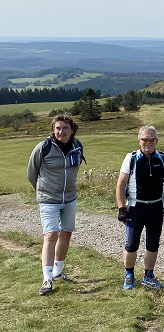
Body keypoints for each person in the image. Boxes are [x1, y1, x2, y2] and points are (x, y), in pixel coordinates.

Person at [115, 126, 164, 290]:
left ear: (156, 141)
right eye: (145, 139)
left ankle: (148, 276)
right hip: (136, 208)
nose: (148, 142)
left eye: (152, 139)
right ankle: (129, 275)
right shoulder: (131, 158)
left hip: (157, 207)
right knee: (131, 244)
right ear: (139, 141)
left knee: (153, 244)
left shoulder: (163, 158)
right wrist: (122, 208)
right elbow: (121, 184)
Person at [27, 114, 85, 296]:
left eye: (65, 128)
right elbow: (32, 173)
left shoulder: (77, 146)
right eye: (58, 128)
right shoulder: (43, 148)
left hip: (69, 198)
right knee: (50, 235)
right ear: (53, 130)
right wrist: (43, 192)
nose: (61, 132)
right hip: (48, 199)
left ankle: (58, 272)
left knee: (66, 233)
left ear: (72, 130)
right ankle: (47, 279)